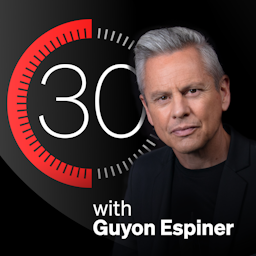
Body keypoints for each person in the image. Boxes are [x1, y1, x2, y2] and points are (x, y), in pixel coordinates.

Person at [111, 27, 256, 256]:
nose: (179, 111)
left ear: (223, 92)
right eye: (163, 98)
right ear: (147, 109)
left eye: (192, 91)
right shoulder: (143, 173)